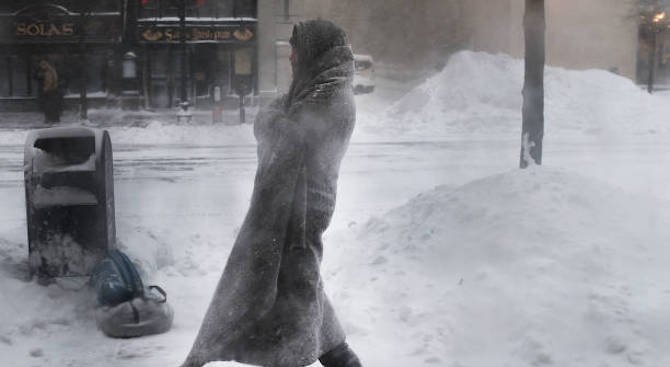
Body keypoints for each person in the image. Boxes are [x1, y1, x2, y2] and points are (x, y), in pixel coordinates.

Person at [181, 20, 362, 367]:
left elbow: (288, 135)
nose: (291, 57)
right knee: (302, 284)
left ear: (315, 52)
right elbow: (282, 116)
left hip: (303, 211)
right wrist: (273, 118)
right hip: (293, 205)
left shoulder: (332, 97)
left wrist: (268, 121)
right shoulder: (315, 88)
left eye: (296, 50)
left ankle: (293, 357)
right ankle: (341, 358)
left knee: (296, 289)